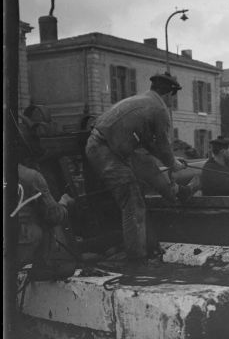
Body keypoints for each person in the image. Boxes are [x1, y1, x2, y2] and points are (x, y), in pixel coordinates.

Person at [85, 72, 187, 262]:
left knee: (138, 185)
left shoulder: (143, 101)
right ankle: (137, 260)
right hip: (106, 150)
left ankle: (146, 246)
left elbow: (150, 145)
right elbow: (163, 146)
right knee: (133, 203)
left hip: (104, 145)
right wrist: (173, 163)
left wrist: (171, 161)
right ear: (169, 94)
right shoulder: (158, 109)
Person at [12, 124, 76, 280]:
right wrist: (63, 203)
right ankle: (44, 267)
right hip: (19, 246)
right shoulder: (31, 177)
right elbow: (53, 216)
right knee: (44, 221)